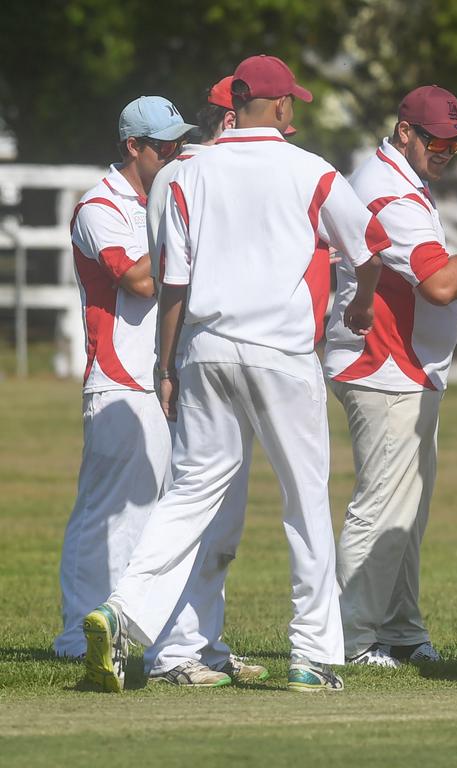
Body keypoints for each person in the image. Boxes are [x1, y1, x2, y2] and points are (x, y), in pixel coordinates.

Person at [80, 54, 386, 694]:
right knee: (305, 503)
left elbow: (172, 285)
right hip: (281, 353)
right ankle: (311, 656)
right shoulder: (312, 171)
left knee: (189, 495)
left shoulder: (183, 172)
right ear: (279, 107)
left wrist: (165, 367)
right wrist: (360, 301)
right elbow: (369, 247)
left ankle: (123, 609)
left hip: (205, 349)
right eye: (291, 101)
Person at [323, 84, 457, 667]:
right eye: (438, 140)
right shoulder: (390, 192)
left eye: (454, 143)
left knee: (405, 509)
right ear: (405, 131)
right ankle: (349, 637)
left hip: (401, 365)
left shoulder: (398, 180)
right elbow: (441, 284)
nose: (447, 152)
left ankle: (398, 629)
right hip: (384, 365)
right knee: (384, 507)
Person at [54, 96, 193, 659]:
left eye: (179, 144)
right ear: (132, 147)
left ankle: (143, 634)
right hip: (118, 379)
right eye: (164, 147)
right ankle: (73, 635)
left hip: (162, 377)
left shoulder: (164, 196)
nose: (174, 155)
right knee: (107, 513)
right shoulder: (99, 205)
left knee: (161, 513)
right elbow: (138, 280)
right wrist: (192, 248)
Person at [141, 76, 266, 687]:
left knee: (225, 515)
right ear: (230, 118)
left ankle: (203, 642)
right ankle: (167, 649)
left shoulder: (213, 172)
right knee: (194, 506)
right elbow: (175, 281)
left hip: (220, 352)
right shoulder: (187, 176)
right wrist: (165, 367)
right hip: (201, 352)